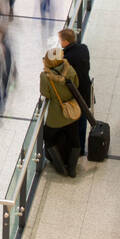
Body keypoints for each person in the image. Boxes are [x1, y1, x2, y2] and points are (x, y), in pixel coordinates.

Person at [39, 45, 82, 177]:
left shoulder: (45, 76)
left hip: (56, 116)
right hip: (71, 113)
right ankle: (72, 169)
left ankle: (59, 168)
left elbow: (45, 93)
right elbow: (77, 85)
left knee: (48, 137)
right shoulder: (70, 71)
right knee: (75, 139)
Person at [59, 28, 92, 157]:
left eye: (61, 40)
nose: (60, 43)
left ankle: (74, 148)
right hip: (85, 89)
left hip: (75, 93)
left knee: (74, 121)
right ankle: (81, 148)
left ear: (66, 41)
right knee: (83, 119)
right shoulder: (84, 48)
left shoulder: (66, 58)